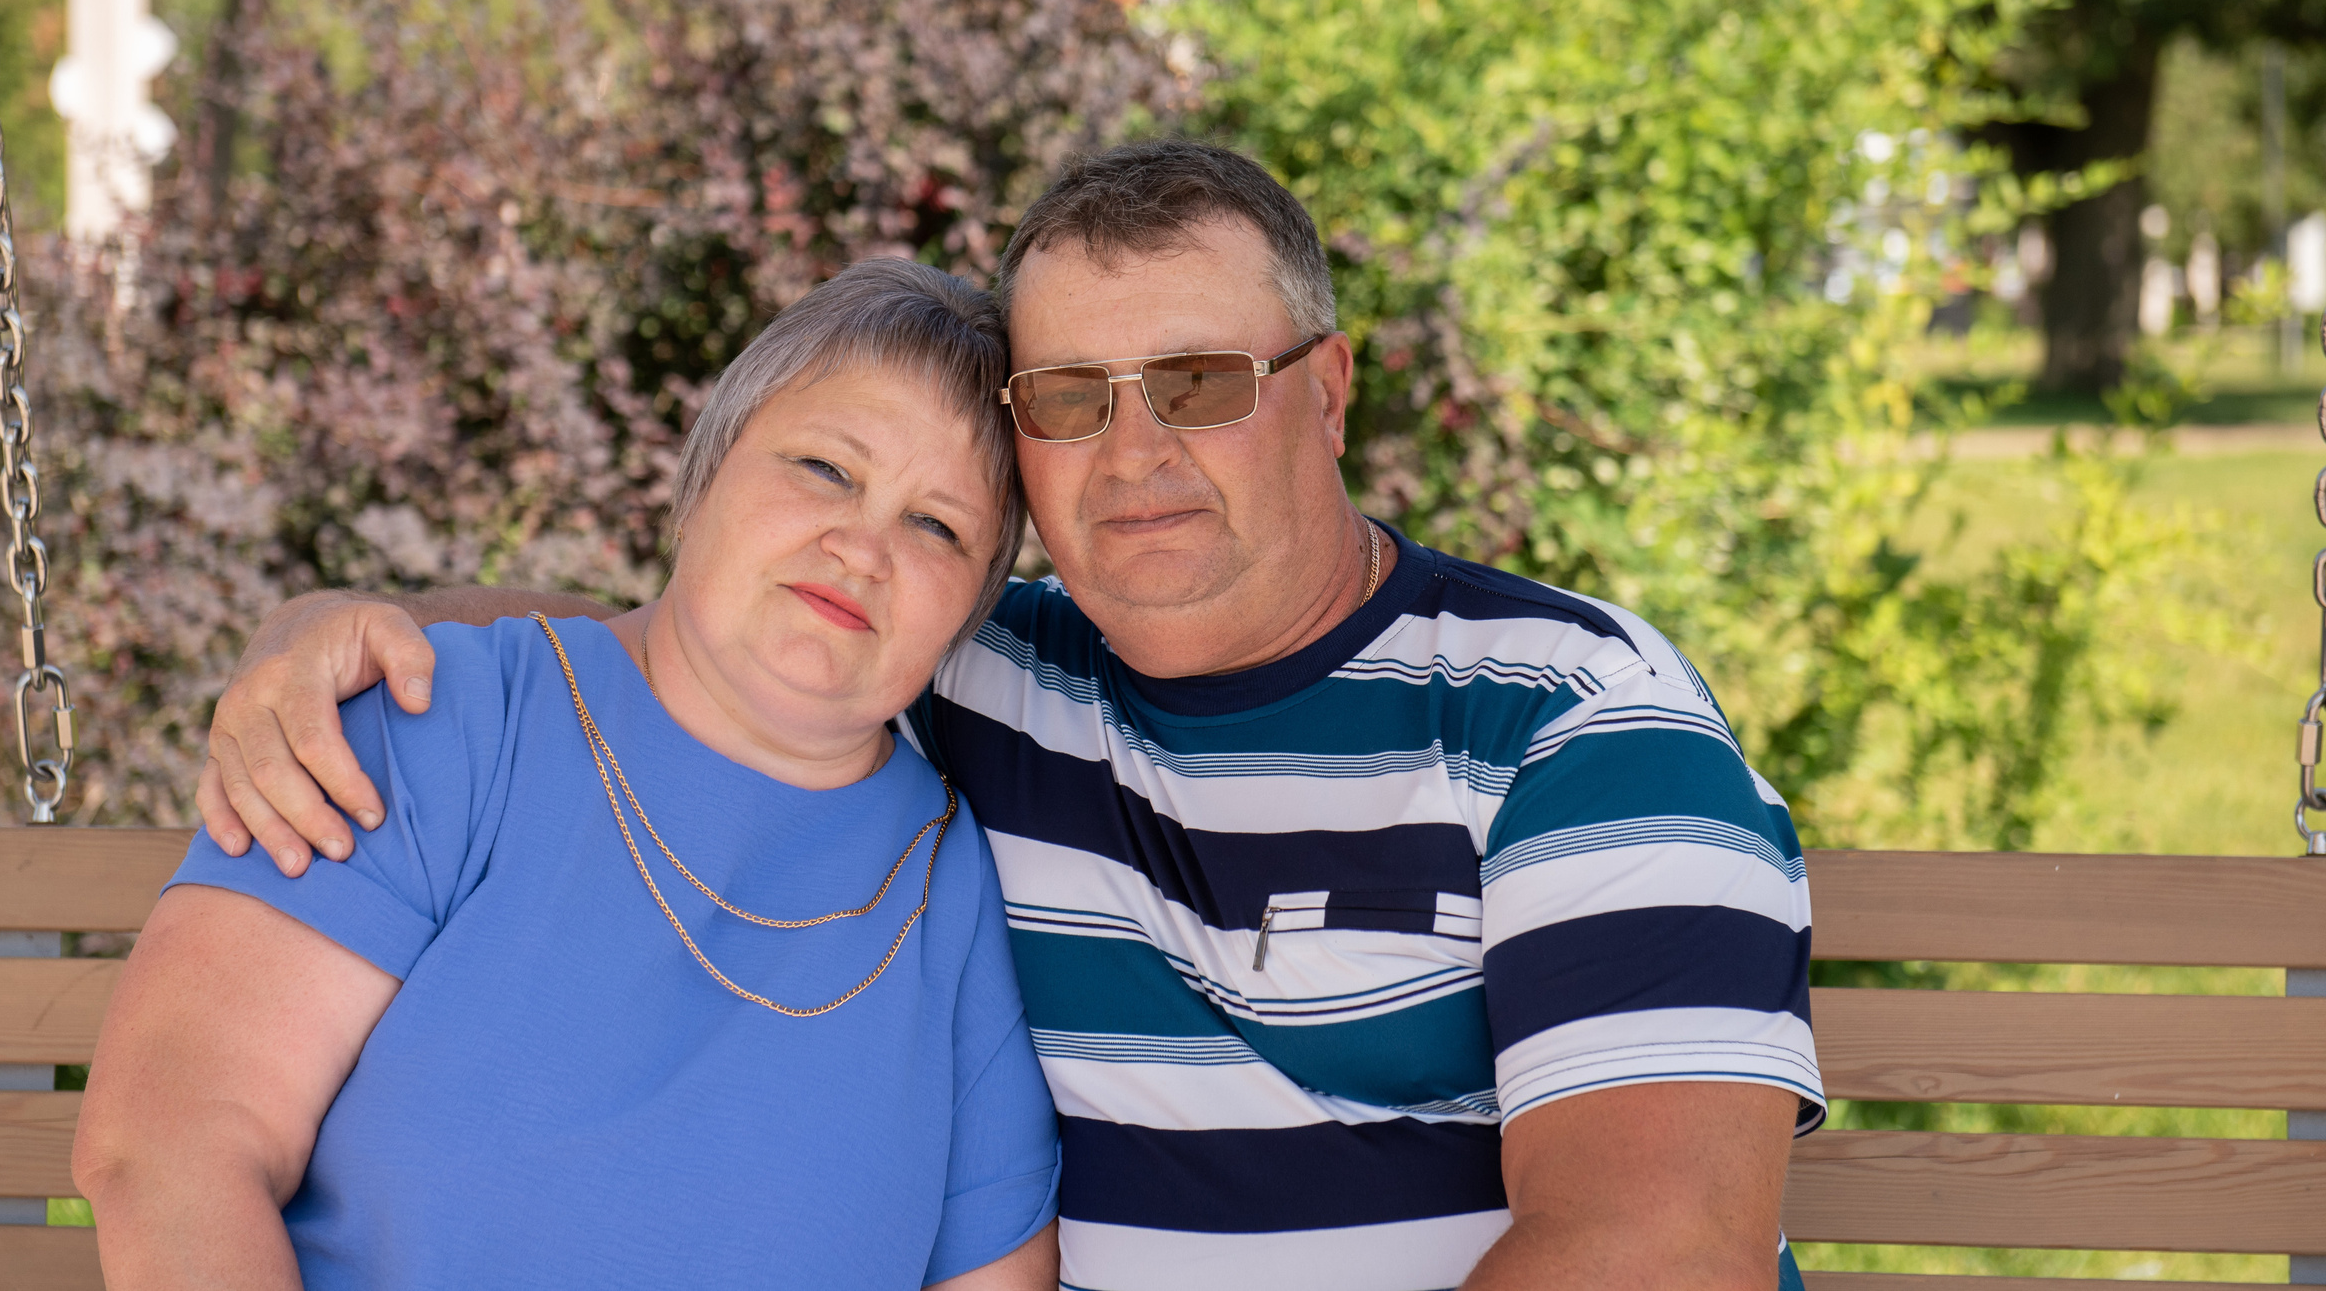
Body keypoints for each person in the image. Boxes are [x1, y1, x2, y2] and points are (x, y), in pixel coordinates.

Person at [198, 142, 1823, 1291]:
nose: (1131, 455)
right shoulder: (986, 668)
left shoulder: (1574, 724)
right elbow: (687, 628)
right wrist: (331, 638)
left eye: (1195, 381)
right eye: (1065, 399)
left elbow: (1658, 1252)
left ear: (1328, 389)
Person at [72, 259, 1063, 1291]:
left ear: (973, 605)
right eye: (825, 467)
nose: (861, 545)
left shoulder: (952, 884)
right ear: (704, 477)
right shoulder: (445, 724)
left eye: (937, 525)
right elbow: (170, 1146)